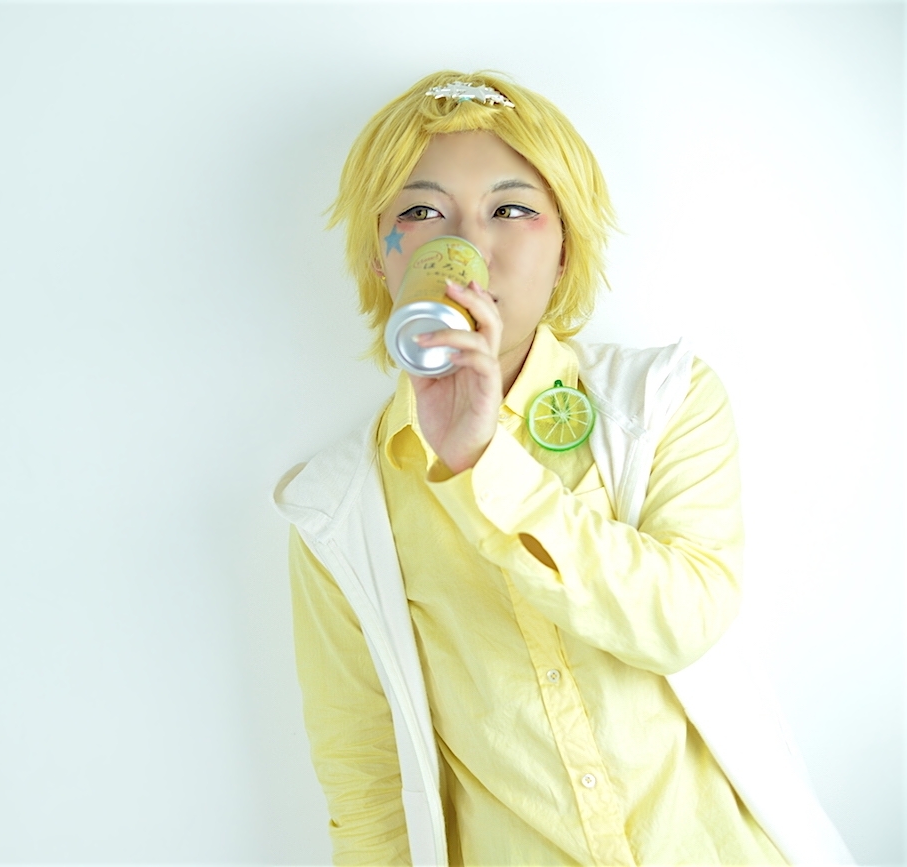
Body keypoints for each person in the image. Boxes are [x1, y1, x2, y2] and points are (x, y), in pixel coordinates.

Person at [273, 71, 853, 866]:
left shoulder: (666, 399)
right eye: (421, 212)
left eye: (511, 209)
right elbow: (367, 785)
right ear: (381, 255)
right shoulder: (339, 508)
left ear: (564, 247)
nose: (469, 248)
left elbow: (687, 618)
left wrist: (487, 464)